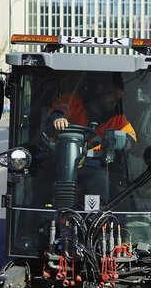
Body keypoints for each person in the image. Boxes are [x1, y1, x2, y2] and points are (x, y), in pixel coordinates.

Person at [47, 72, 136, 204]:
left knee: (103, 181)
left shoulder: (118, 119)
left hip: (99, 168)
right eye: (112, 95)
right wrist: (58, 117)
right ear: (100, 90)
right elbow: (60, 108)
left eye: (118, 99)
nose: (115, 101)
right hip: (63, 163)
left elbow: (131, 137)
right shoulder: (74, 101)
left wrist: (125, 141)